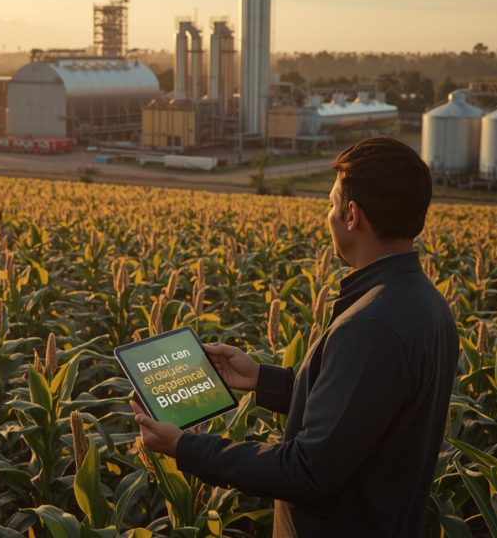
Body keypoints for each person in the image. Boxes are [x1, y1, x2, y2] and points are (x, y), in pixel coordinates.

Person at [130, 137, 459, 537]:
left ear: (352, 215)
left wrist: (186, 448)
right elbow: (360, 415)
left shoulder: (372, 324)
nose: (328, 214)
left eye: (331, 203)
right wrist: (260, 380)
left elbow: (306, 471)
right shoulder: (428, 304)